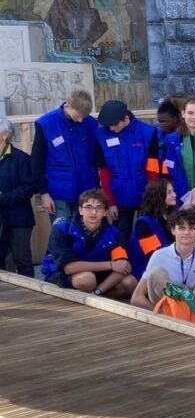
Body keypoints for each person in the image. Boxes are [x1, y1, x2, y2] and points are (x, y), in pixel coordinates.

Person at [41, 189, 135, 296]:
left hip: (99, 277)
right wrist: (110, 265)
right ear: (80, 210)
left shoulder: (115, 234)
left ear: (105, 212)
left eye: (98, 208)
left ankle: (95, 297)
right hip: (63, 275)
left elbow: (122, 266)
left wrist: (98, 290)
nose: (93, 212)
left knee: (130, 282)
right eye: (88, 207)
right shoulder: (62, 229)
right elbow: (68, 268)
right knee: (87, 279)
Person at [92, 101, 161, 241]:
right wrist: (110, 203)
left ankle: (148, 263)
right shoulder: (101, 136)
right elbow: (104, 173)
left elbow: (153, 169)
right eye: (108, 125)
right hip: (119, 197)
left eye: (114, 124)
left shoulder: (148, 132)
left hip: (145, 195)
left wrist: (152, 198)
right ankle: (121, 262)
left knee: (147, 235)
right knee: (120, 237)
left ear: (125, 119)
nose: (111, 128)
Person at [131, 208, 195, 309]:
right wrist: (160, 314)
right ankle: (183, 314)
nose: (187, 232)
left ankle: (187, 312)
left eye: (192, 228)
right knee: (156, 272)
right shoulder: (159, 255)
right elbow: (136, 298)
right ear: (173, 230)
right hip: (168, 308)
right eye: (182, 228)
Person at [31, 89, 98, 222]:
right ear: (67, 106)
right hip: (58, 195)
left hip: (87, 193)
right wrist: (43, 193)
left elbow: (97, 158)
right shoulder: (45, 124)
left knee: (87, 236)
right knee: (61, 236)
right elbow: (36, 162)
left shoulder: (91, 123)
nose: (80, 120)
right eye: (77, 115)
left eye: (84, 116)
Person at [0, 117, 37, 277]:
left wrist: (4, 198)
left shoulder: (21, 158)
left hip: (18, 218)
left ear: (4, 135)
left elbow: (29, 188)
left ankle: (32, 296)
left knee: (22, 258)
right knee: (2, 260)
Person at [128, 177, 176, 279]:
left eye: (173, 191)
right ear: (159, 195)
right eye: (169, 192)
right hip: (148, 272)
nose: (174, 195)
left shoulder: (172, 217)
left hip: (170, 266)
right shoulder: (144, 223)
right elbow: (153, 255)